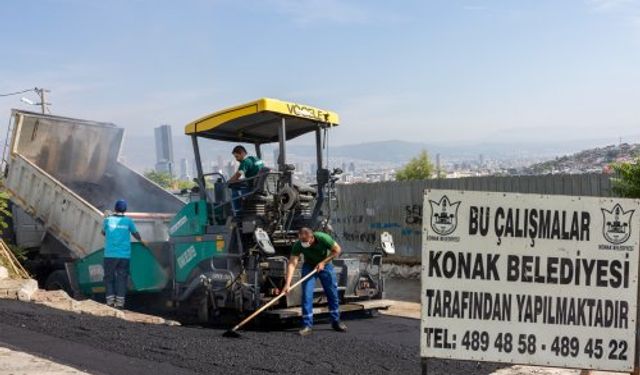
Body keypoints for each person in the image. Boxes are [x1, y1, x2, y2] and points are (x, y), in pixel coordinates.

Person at [282, 227, 347, 336]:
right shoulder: (298, 244)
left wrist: (323, 262)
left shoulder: (323, 238)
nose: (303, 243)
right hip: (309, 266)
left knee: (332, 293)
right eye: (301, 241)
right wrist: (287, 284)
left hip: (326, 266)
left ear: (312, 238)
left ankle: (336, 321)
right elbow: (292, 263)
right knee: (307, 295)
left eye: (305, 241)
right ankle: (307, 325)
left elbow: (337, 250)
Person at [101, 199, 145, 309]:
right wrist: (142, 241)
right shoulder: (128, 221)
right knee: (122, 279)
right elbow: (136, 234)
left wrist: (107, 219)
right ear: (125, 210)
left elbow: (103, 233)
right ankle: (120, 304)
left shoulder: (108, 220)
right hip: (124, 256)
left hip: (110, 255)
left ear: (115, 208)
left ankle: (110, 302)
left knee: (109, 278)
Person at [228, 145, 264, 214]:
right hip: (261, 186)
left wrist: (228, 182)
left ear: (242, 153)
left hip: (253, 189)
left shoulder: (245, 162)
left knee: (235, 194)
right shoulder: (256, 159)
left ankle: (238, 215)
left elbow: (237, 175)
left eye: (237, 156)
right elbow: (255, 172)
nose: (236, 159)